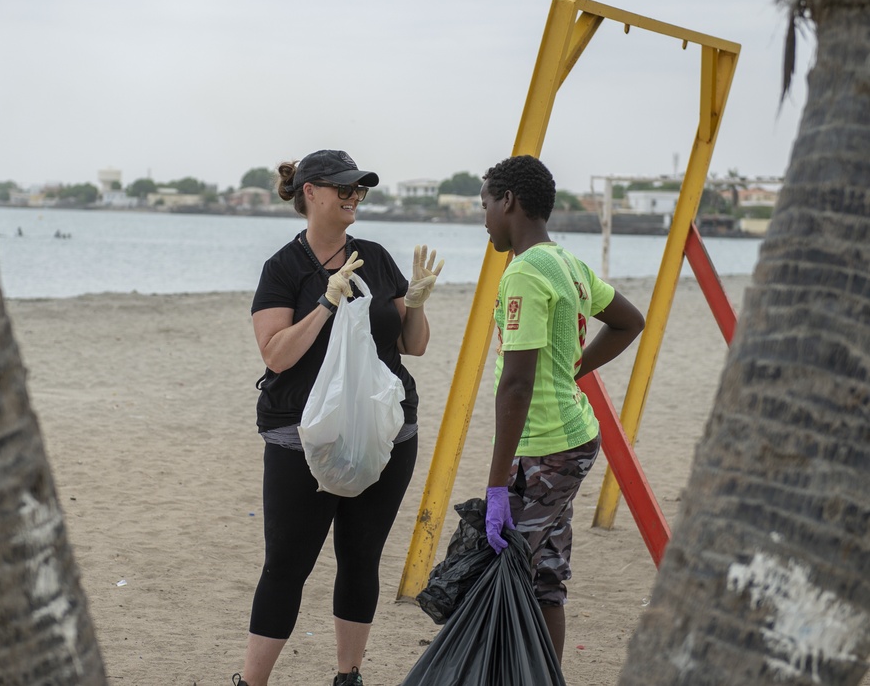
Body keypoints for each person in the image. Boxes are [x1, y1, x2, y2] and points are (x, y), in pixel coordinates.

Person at [234, 149, 444, 686]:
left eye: (360, 189)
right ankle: (251, 682)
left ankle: (348, 677)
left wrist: (415, 301)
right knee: (287, 565)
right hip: (300, 437)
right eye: (343, 187)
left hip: (384, 432)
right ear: (311, 192)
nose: (354, 196)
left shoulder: (374, 256)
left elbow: (412, 345)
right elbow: (275, 354)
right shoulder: (283, 268)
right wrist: (326, 303)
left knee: (360, 559)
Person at [479, 154, 645, 666]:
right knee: (546, 574)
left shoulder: (525, 272)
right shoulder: (567, 263)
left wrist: (495, 486)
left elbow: (516, 384)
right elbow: (628, 321)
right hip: (571, 434)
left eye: (485, 204)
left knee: (504, 576)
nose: (482, 217)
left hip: (546, 444)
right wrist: (572, 369)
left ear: (508, 201)